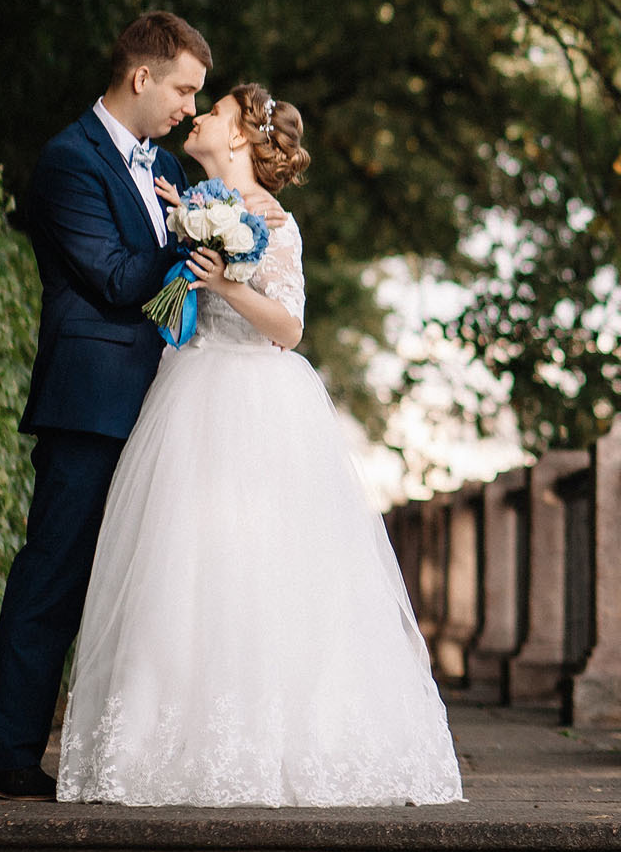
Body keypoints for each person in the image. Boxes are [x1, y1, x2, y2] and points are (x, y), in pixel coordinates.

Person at [56, 82, 459, 806]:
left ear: (240, 136)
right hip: (185, 391)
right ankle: (166, 746)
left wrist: (228, 281)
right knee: (180, 570)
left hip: (257, 401)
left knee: (258, 570)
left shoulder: (274, 220)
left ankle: (276, 742)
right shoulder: (185, 201)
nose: (200, 115)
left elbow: (289, 328)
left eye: (213, 112)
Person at [0, 14, 208, 800]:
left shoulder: (167, 166)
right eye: (183, 89)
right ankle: (8, 759)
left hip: (164, 405)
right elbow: (112, 279)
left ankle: (129, 757)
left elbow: (172, 293)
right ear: (142, 76)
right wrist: (188, 238)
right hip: (92, 404)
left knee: (151, 584)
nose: (187, 107)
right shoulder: (69, 160)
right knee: (56, 578)